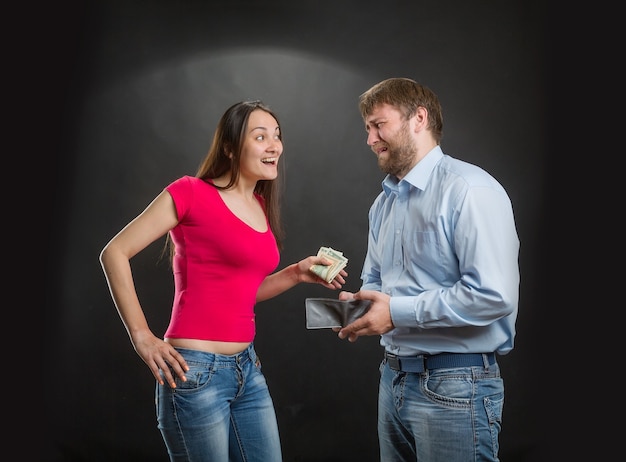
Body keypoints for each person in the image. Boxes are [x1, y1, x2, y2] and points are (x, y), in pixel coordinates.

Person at [99, 100, 347, 462]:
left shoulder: (260, 205)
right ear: (230, 147)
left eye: (276, 136)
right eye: (260, 136)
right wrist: (142, 338)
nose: (273, 145)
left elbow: (240, 294)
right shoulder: (191, 192)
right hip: (194, 374)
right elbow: (114, 252)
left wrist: (296, 273)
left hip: (247, 369)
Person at [334, 78, 520, 461]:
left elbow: (493, 295)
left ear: (418, 118)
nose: (370, 139)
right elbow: (377, 281)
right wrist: (360, 305)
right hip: (394, 380)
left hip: (457, 386)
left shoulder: (470, 190)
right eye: (367, 128)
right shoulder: (382, 205)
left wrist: (395, 312)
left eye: (378, 125)